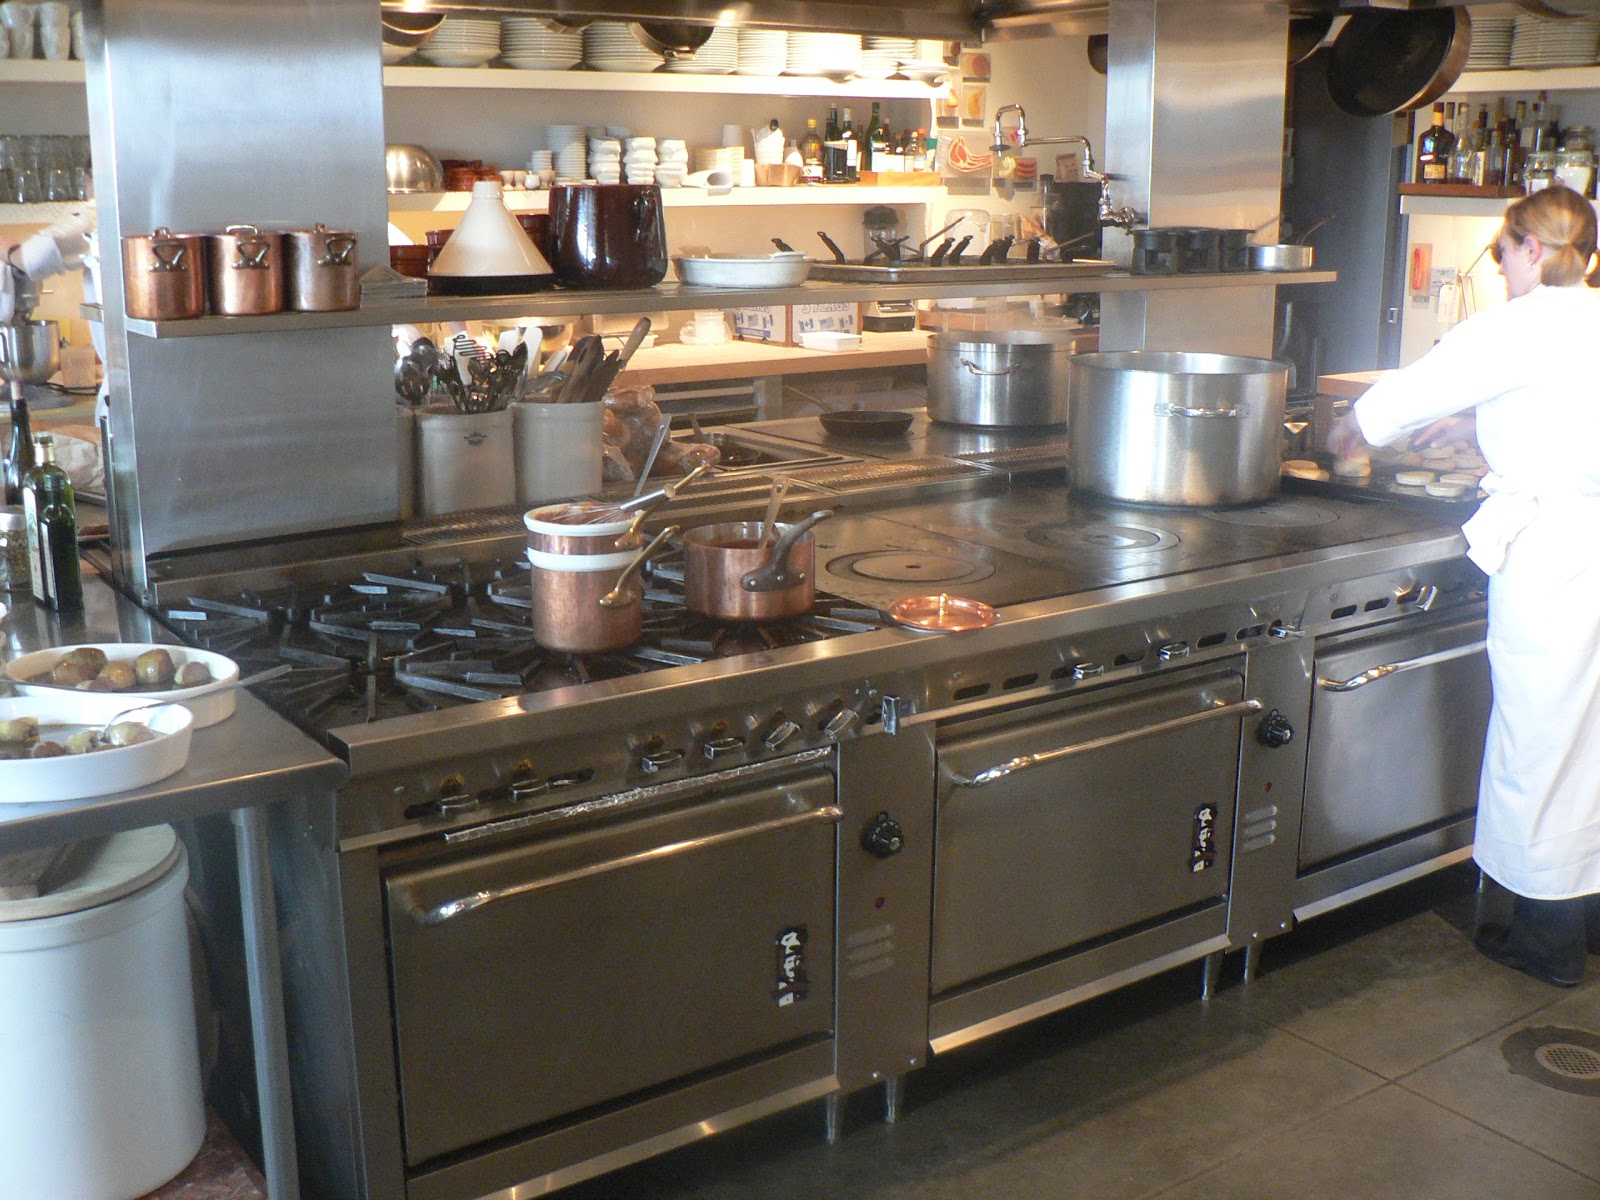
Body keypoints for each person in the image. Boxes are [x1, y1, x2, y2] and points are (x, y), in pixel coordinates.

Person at [1327, 185, 1600, 987]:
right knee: (1593, 734)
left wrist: (1352, 427)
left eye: (1503, 251)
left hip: (1555, 552)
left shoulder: (1518, 325)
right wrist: (1476, 425)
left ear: (1534, 250)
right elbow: (1562, 410)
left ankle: (1543, 938)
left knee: (1539, 733)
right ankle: (1586, 919)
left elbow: (1419, 386)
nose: (1502, 266)